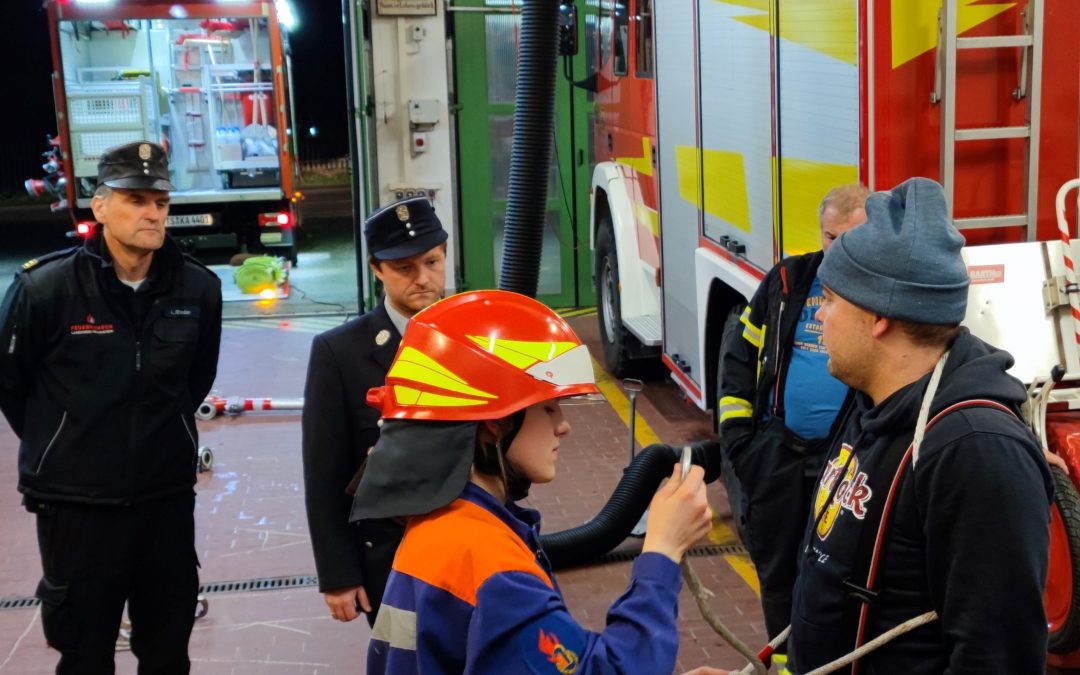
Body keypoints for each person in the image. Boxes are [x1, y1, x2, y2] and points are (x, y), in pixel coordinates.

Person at [350, 289, 714, 674]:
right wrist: (662, 550)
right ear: (494, 421)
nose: (563, 426)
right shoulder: (488, 564)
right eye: (548, 407)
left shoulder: (439, 527)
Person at [781, 177, 1052, 673]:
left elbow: (997, 659)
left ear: (879, 316)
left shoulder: (975, 451)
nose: (819, 317)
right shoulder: (873, 407)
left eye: (832, 300)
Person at [0, 141, 222, 673]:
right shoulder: (44, 289)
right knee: (84, 656)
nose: (152, 213)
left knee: (168, 655)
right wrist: (66, 443)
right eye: (135, 199)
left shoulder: (198, 288)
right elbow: (12, 385)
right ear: (99, 207)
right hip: (76, 509)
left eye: (160, 202)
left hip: (165, 504)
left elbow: (196, 382)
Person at [716, 183, 867, 668]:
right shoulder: (786, 284)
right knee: (778, 569)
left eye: (851, 238)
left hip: (843, 460)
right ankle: (786, 665)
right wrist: (741, 444)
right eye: (830, 237)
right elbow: (737, 361)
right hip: (778, 458)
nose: (837, 249)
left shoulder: (881, 295)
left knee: (837, 571)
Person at [301, 195, 448, 626]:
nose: (423, 279)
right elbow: (324, 472)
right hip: (391, 562)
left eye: (433, 262)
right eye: (404, 268)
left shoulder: (473, 337)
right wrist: (338, 575)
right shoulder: (339, 353)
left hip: (470, 548)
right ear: (377, 269)